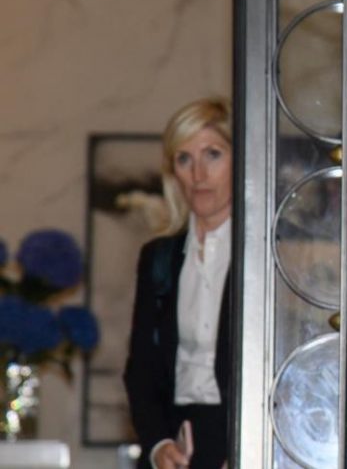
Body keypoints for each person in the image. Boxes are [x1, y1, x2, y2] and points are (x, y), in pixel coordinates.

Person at [124, 97, 233, 469]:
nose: (198, 174)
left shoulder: (266, 255)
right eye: (184, 159)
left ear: (241, 159)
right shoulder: (158, 258)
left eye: (213, 154)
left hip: (245, 437)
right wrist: (157, 445)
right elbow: (141, 369)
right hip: (175, 444)